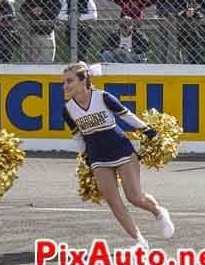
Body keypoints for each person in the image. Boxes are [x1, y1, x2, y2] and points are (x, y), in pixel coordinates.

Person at [61, 61, 175, 250]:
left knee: (134, 197)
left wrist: (148, 131)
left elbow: (126, 115)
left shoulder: (102, 97)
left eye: (70, 81)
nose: (65, 86)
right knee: (113, 201)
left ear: (83, 80)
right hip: (97, 155)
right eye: (64, 82)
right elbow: (77, 136)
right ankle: (139, 241)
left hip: (120, 148)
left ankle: (158, 212)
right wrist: (85, 157)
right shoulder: (68, 109)